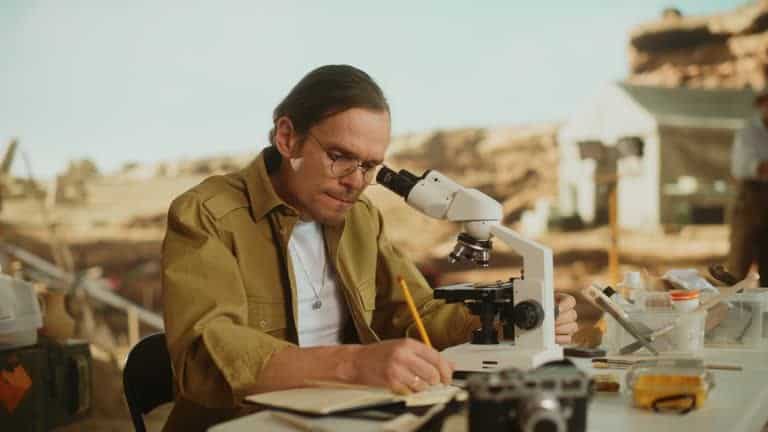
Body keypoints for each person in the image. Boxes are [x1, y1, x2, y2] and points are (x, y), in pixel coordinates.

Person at [161, 64, 578, 431]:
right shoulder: (206, 214)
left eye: (369, 166)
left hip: (349, 416)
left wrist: (510, 320)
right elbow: (203, 355)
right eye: (340, 156)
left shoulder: (361, 218)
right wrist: (355, 364)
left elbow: (416, 312)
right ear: (287, 139)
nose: (356, 181)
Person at [728, 89, 768, 283]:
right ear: (762, 105)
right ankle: (730, 308)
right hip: (751, 198)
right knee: (740, 260)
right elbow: (752, 168)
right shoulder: (748, 133)